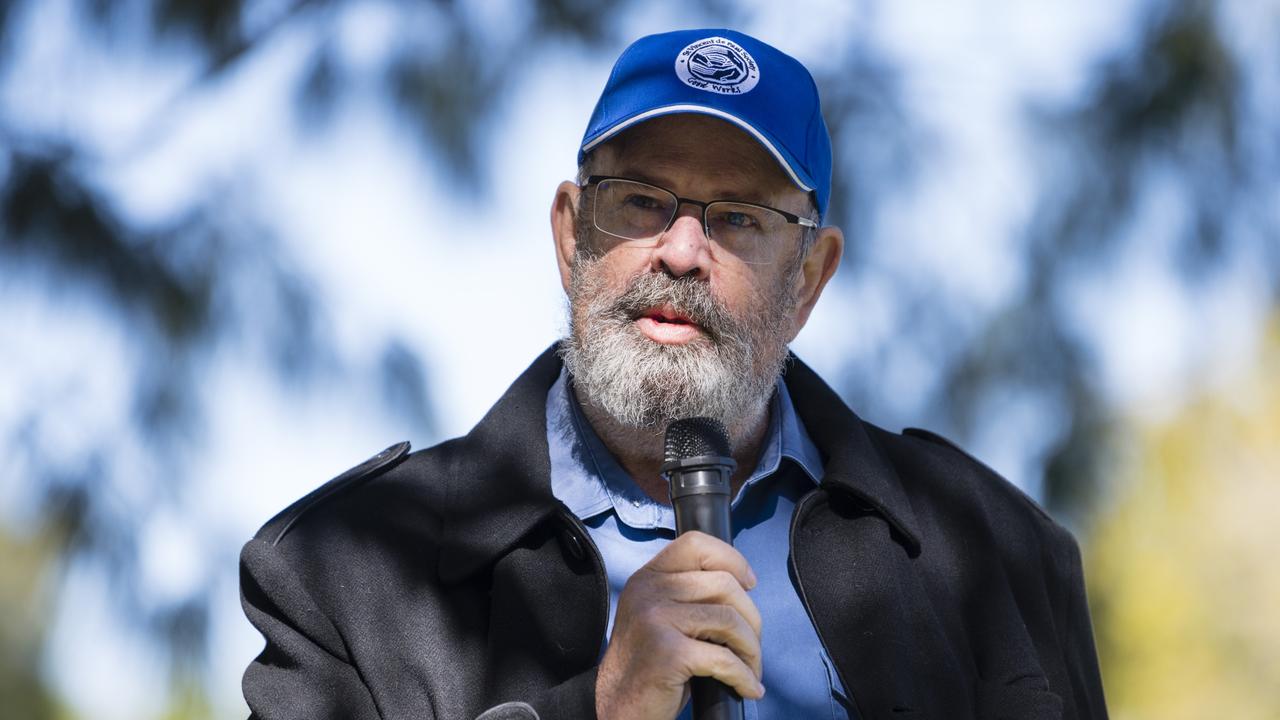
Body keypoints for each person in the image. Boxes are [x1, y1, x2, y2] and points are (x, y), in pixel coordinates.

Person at [240, 29, 1108, 720]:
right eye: (642, 201)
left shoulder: (999, 553)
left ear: (807, 281)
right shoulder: (341, 577)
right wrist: (601, 709)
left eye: (736, 217)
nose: (683, 251)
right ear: (573, 237)